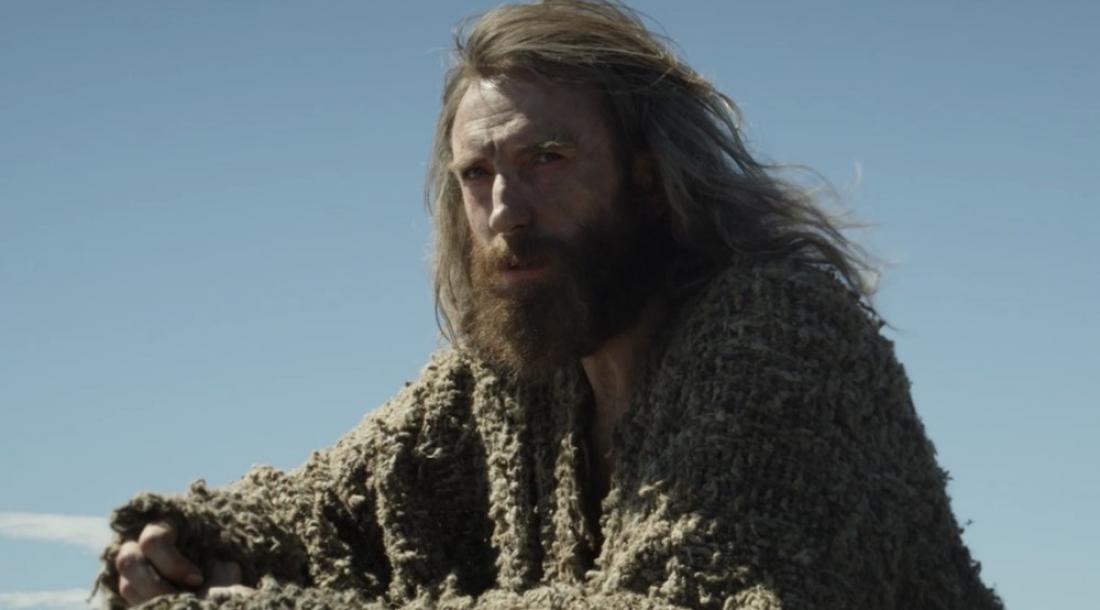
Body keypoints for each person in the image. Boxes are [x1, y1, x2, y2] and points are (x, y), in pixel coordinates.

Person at [97, 1, 1004, 609]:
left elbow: (691, 600)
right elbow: (325, 507)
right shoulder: (506, 381)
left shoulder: (779, 335)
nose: (507, 212)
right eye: (478, 175)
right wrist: (177, 544)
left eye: (547, 160)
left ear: (648, 177)